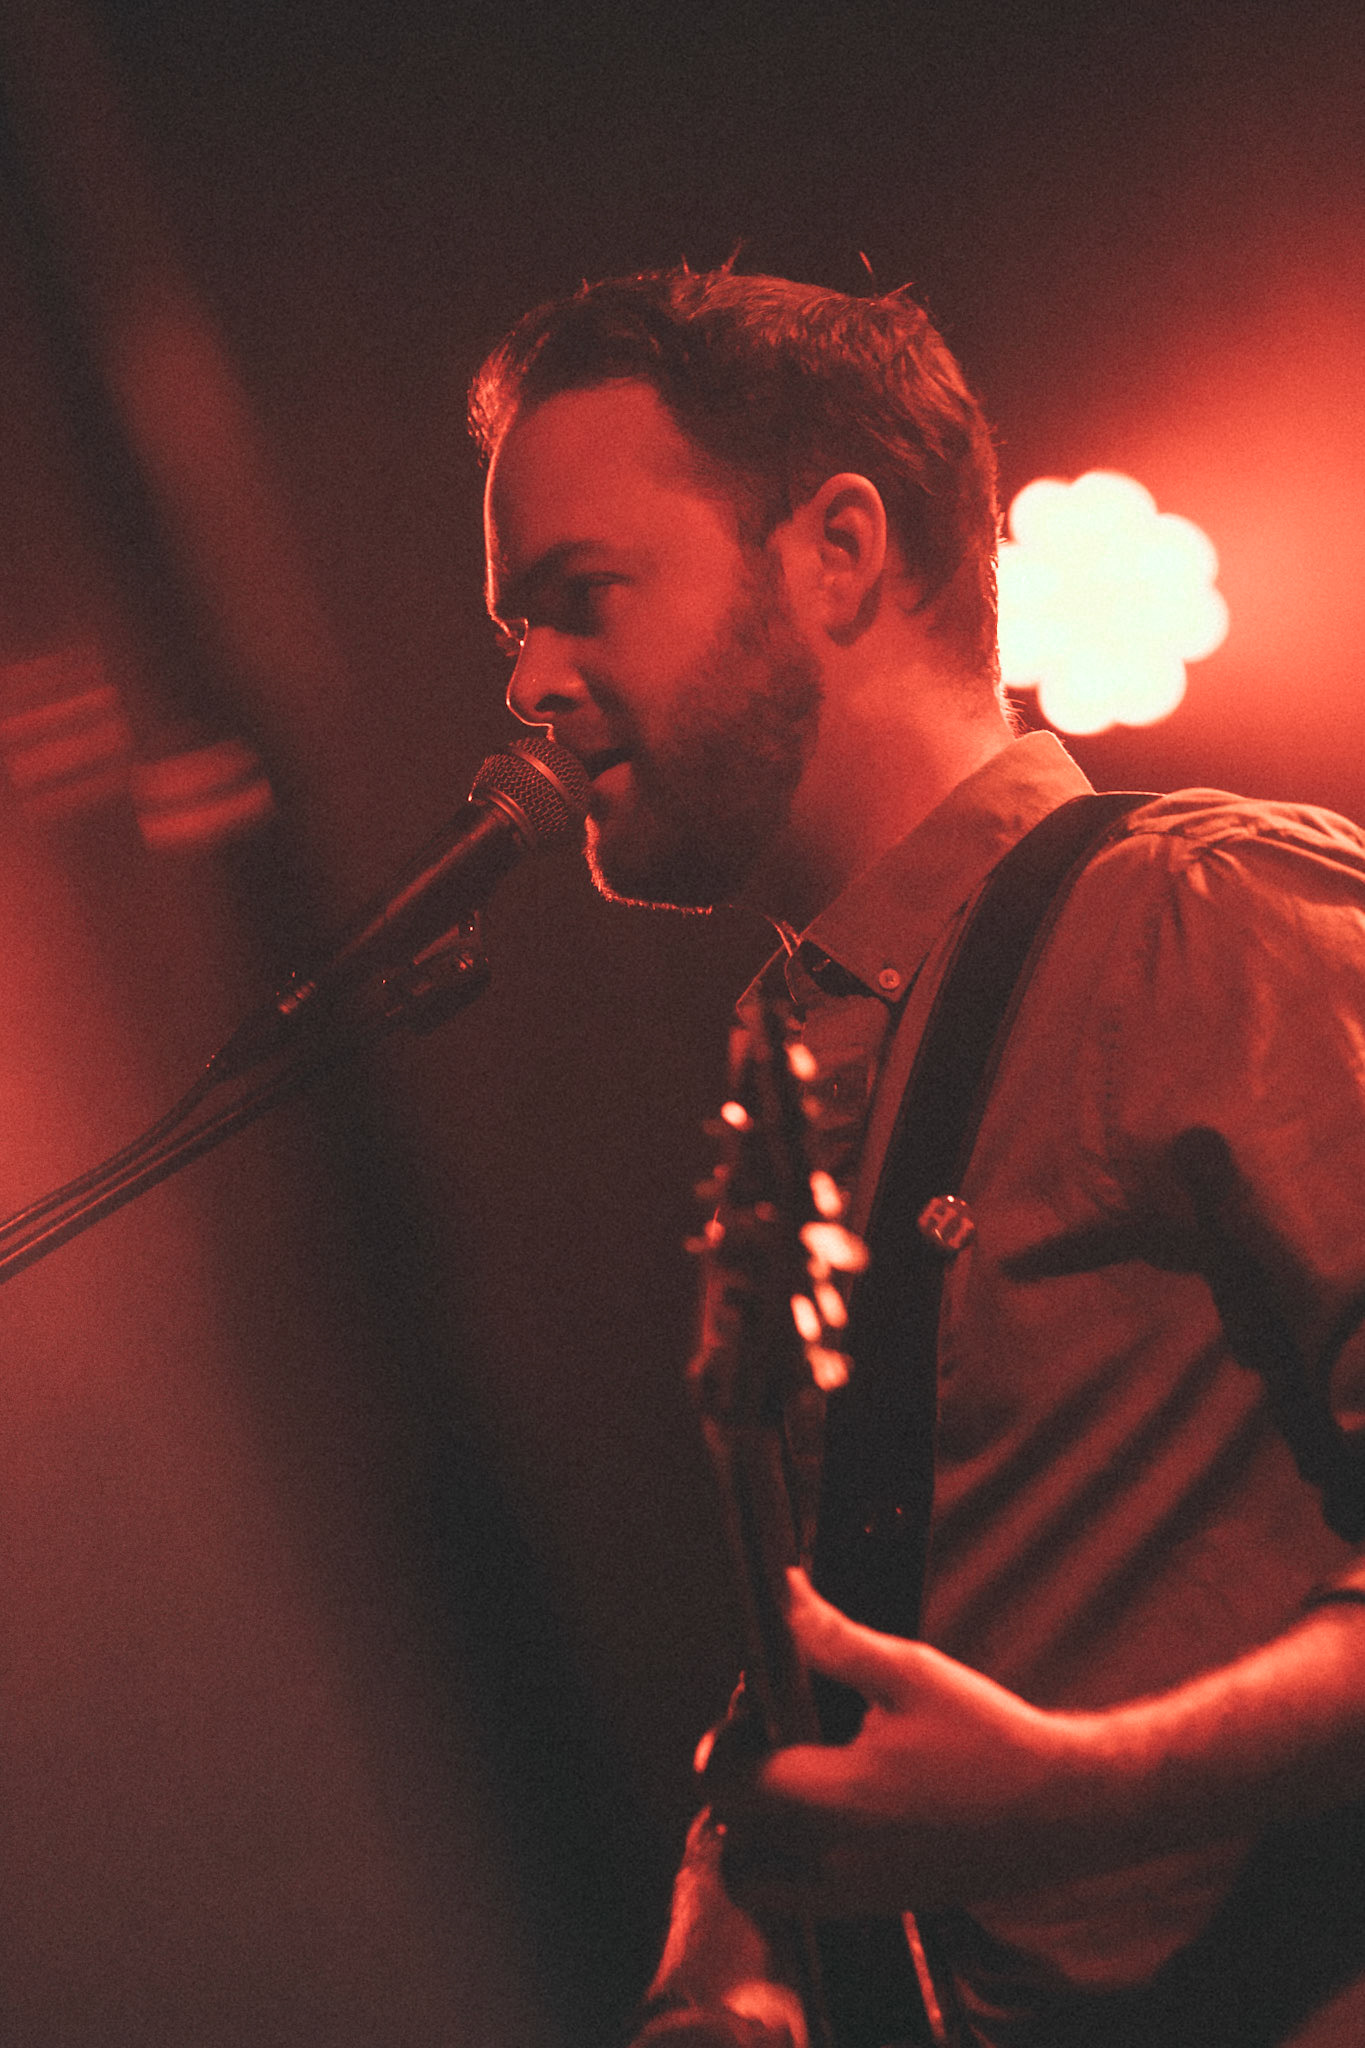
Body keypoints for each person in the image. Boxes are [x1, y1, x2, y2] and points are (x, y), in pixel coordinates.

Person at [469, 266, 1365, 2047]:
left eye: (581, 600)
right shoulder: (802, 1051)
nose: (529, 684)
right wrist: (725, 1948)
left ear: (840, 551)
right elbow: (889, 1622)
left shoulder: (1201, 921)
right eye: (516, 626)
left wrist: (1081, 1790)